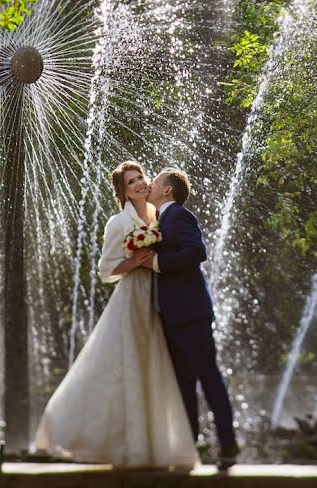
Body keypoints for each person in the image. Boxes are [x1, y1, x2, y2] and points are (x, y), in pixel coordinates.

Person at [34, 161, 198, 468]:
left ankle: (155, 445)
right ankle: (82, 430)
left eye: (141, 177)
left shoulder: (159, 215)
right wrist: (136, 261)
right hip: (134, 298)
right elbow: (106, 271)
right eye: (130, 181)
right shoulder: (118, 223)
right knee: (127, 367)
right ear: (122, 191)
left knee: (156, 370)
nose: (138, 183)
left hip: (162, 298)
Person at [141, 167, 240, 471]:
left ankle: (228, 445)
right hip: (170, 316)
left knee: (208, 376)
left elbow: (197, 251)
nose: (150, 184)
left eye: (155, 181)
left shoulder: (179, 216)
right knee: (183, 383)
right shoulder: (157, 220)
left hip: (191, 313)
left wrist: (157, 262)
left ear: (167, 190)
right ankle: (189, 446)